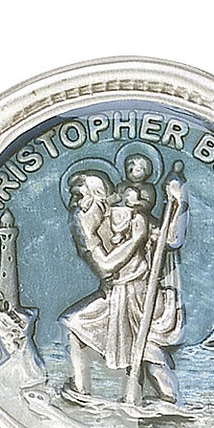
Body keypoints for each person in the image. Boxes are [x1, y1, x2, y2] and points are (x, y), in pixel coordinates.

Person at [58, 165, 184, 404]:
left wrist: (177, 203)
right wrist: (136, 239)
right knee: (73, 324)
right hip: (115, 295)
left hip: (142, 294)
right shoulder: (81, 225)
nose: (75, 203)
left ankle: (170, 401)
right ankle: (81, 390)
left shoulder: (131, 214)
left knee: (148, 352)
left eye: (79, 196)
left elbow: (170, 239)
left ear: (99, 196)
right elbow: (105, 266)